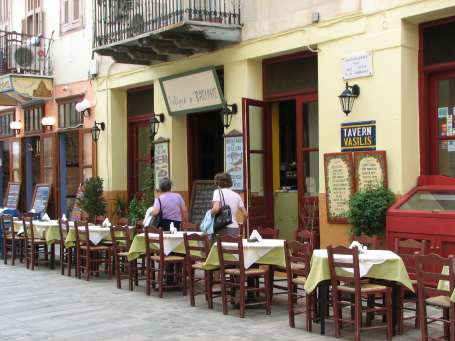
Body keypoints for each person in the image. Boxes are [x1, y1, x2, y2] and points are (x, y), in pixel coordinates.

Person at [211, 172, 248, 236]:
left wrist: (210, 214)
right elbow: (245, 214)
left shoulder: (217, 192)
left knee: (216, 245)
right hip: (234, 228)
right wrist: (242, 226)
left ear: (218, 183)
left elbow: (216, 209)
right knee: (233, 246)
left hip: (221, 227)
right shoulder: (236, 195)